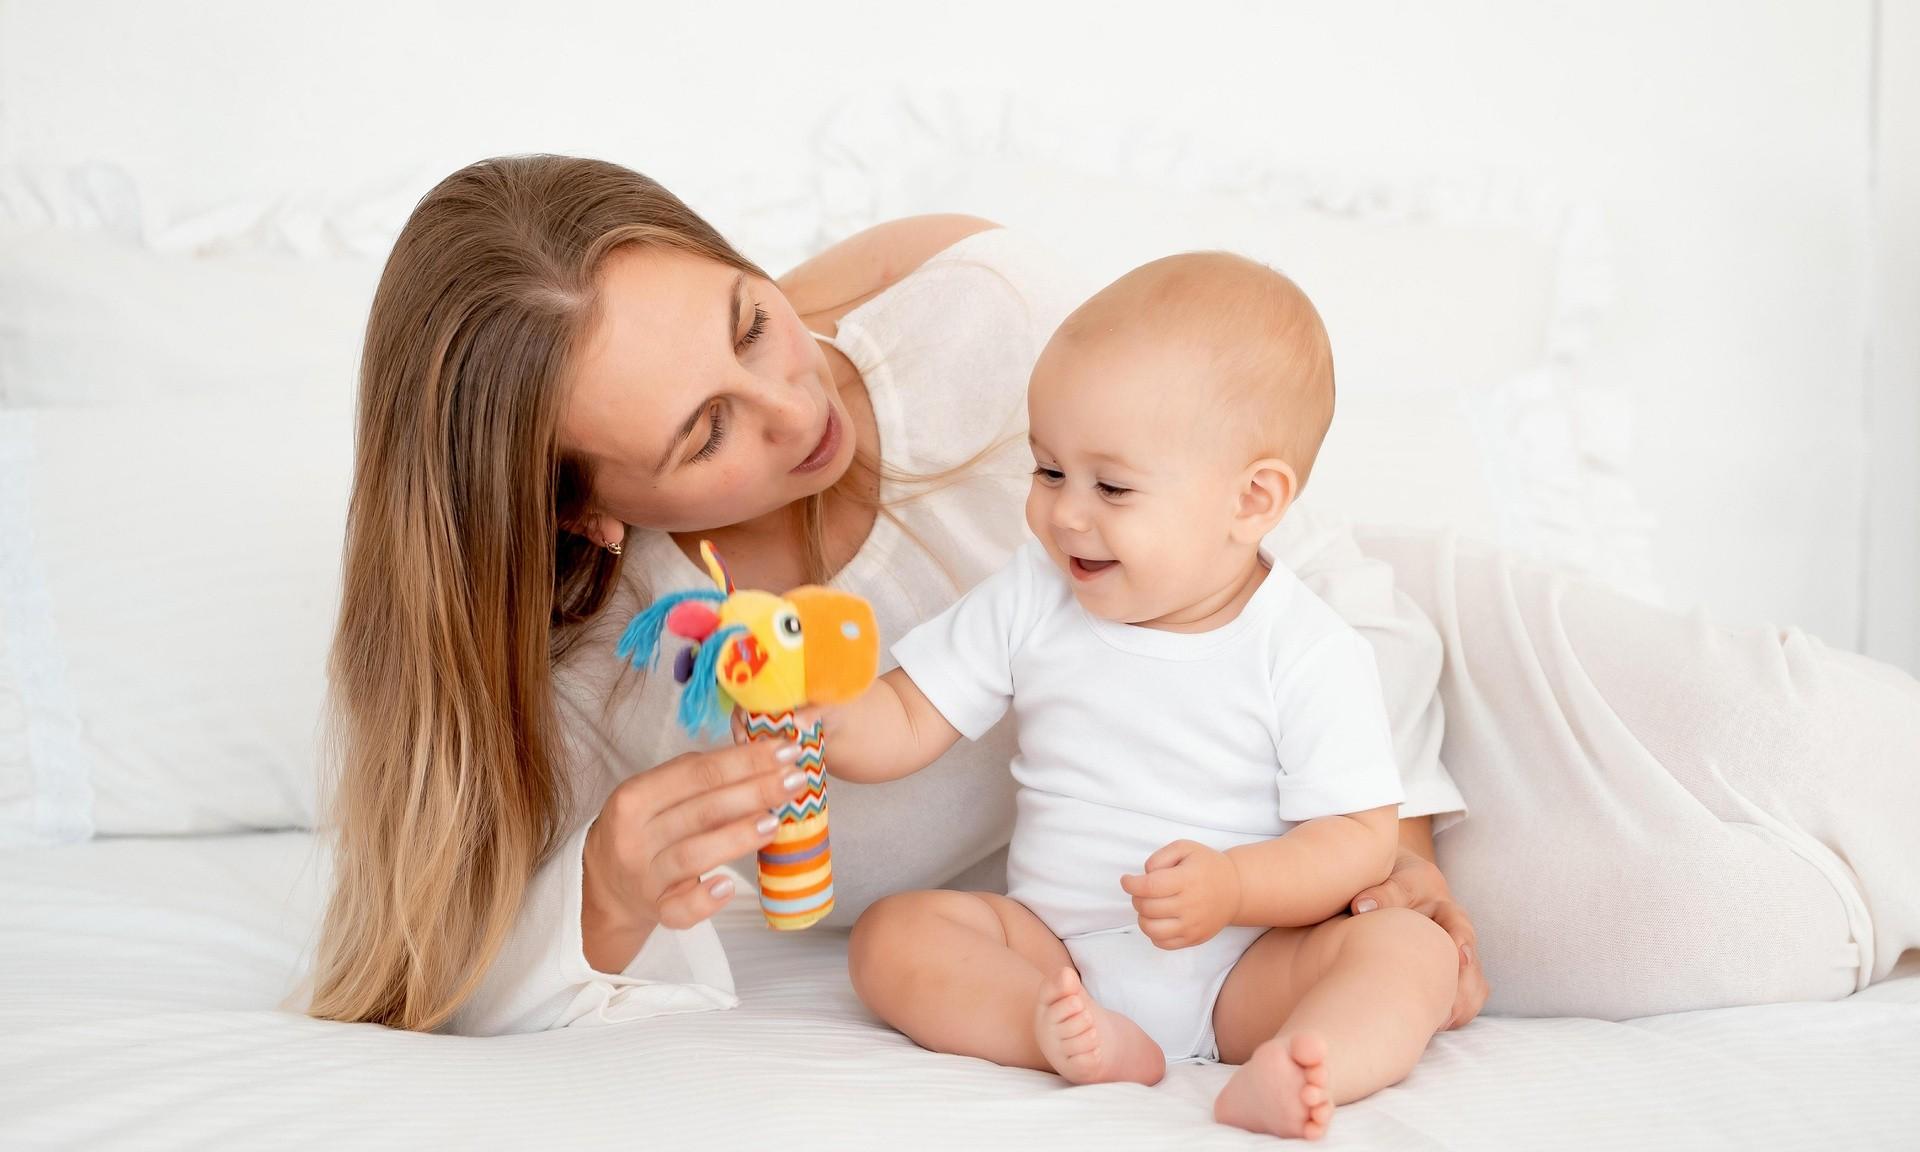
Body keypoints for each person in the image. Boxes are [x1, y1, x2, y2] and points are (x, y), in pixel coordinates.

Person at [309, 154, 1916, 1041]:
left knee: (1801, 731)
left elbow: (1298, 558)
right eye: (704, 434)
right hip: (1167, 883)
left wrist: (1394, 844)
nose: (793, 407)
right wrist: (602, 893)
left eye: (750, 320)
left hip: (1369, 670)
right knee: (1753, 924)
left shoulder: (965, 322)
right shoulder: (624, 672)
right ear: (586, 512)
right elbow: (434, 970)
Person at [814, 253, 1455, 1139]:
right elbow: (906, 716)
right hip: (1056, 952)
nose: (1065, 514)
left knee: (1410, 951)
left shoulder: (1308, 648)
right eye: (1047, 471)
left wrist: (1234, 887)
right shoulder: (1034, 594)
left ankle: (1307, 1062)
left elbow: (1355, 839)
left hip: (1249, 964)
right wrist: (820, 714)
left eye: (1110, 486)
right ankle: (1054, 1030)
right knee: (894, 937)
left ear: (1252, 500)